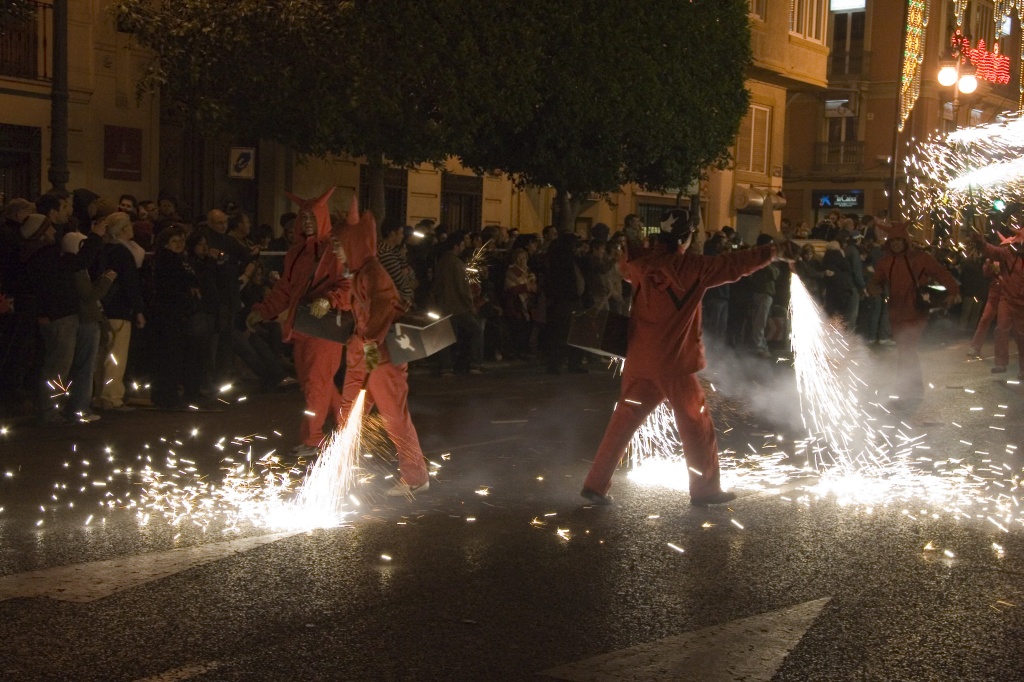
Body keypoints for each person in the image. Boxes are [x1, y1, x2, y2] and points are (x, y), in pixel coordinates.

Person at [580, 211, 797, 506]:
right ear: (685, 238)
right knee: (697, 424)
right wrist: (774, 252)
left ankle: (595, 483)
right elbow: (734, 265)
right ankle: (706, 489)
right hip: (674, 364)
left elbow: (624, 263)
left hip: (639, 360)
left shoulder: (641, 265)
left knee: (622, 422)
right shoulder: (693, 268)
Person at [334, 198, 430, 496]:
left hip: (380, 357)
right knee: (348, 413)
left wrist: (369, 346)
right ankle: (337, 472)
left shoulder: (373, 273)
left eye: (339, 245)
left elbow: (382, 309)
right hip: (365, 353)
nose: (336, 251)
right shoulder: (361, 272)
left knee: (393, 417)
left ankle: (415, 477)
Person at [246, 189, 349, 456]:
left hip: (324, 329)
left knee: (316, 382)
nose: (306, 223)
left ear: (322, 219)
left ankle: (313, 439)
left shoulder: (334, 251)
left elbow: (350, 285)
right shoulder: (296, 253)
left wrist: (330, 299)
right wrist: (264, 310)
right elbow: (285, 289)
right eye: (304, 218)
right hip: (303, 327)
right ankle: (347, 426)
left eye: (312, 218)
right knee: (315, 382)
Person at [868, 222, 960, 403]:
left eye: (899, 240)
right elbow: (877, 279)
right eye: (892, 240)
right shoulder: (885, 262)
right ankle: (911, 385)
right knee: (905, 349)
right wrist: (873, 287)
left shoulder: (920, 258)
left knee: (906, 348)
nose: (895, 244)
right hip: (896, 312)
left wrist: (953, 291)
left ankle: (907, 386)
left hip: (916, 310)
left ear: (906, 241)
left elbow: (941, 273)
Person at [971, 229, 1024, 378]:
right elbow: (991, 251)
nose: (1019, 248)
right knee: (1001, 329)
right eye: (1018, 245)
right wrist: (980, 242)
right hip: (1006, 298)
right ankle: (1000, 363)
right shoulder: (1006, 253)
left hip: (1022, 303)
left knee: (1022, 335)